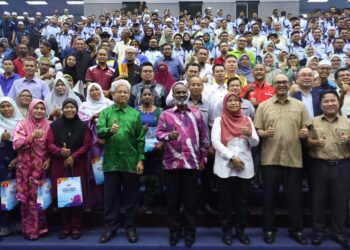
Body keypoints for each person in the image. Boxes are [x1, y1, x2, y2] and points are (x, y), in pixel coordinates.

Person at [254, 74, 310, 245]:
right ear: (272, 85)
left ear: (290, 84)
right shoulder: (263, 106)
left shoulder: (300, 106)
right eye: (278, 82)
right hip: (270, 159)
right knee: (268, 198)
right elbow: (257, 131)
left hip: (293, 159)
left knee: (294, 198)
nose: (282, 85)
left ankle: (296, 230)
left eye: (285, 82)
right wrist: (264, 133)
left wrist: (306, 133)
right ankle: (269, 229)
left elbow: (306, 129)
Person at [155, 82, 209, 247]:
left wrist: (203, 159)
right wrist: (168, 137)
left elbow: (204, 139)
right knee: (172, 202)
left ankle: (190, 232)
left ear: (187, 94)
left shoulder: (197, 114)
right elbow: (158, 134)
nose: (180, 94)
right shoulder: (166, 114)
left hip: (192, 165)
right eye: (177, 92)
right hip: (171, 164)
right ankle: (174, 232)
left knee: (190, 202)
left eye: (182, 92)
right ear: (173, 94)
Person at [97, 79, 144, 244]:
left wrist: (140, 160)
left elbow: (140, 139)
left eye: (126, 92)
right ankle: (110, 228)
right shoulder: (106, 113)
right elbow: (99, 132)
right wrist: (109, 131)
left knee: (131, 198)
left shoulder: (135, 114)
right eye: (120, 92)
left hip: (131, 162)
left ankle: (130, 228)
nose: (123, 94)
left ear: (129, 95)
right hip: (111, 162)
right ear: (113, 93)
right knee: (111, 198)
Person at [212, 92, 259, 245]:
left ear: (240, 104)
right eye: (230, 101)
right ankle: (226, 231)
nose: (233, 103)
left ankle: (240, 231)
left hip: (244, 166)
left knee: (242, 201)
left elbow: (255, 143)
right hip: (225, 165)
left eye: (236, 101)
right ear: (225, 104)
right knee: (225, 201)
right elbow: (216, 143)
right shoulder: (219, 120)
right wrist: (232, 158)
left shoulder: (247, 120)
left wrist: (250, 135)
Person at [307, 90, 350, 247]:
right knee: (318, 201)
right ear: (321, 105)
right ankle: (318, 232)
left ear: (338, 102)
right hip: (319, 166)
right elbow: (307, 143)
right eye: (326, 101)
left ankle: (338, 232)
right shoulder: (313, 122)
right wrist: (314, 143)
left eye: (333, 101)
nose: (330, 104)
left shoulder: (348, 122)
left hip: (342, 166)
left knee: (340, 202)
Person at [46, 98, 91, 240]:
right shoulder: (54, 125)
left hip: (77, 165)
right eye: (66, 107)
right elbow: (49, 143)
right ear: (63, 109)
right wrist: (60, 151)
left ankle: (76, 227)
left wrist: (73, 156)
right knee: (62, 196)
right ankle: (65, 227)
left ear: (76, 109)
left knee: (76, 195)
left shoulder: (83, 126)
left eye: (72, 107)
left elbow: (86, 145)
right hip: (60, 165)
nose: (69, 110)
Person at [13, 99, 50, 240]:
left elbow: (51, 146)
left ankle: (41, 228)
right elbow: (16, 144)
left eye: (42, 108)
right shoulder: (22, 125)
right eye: (36, 108)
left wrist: (49, 160)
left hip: (41, 167)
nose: (39, 111)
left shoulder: (49, 126)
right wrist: (32, 136)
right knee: (27, 200)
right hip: (25, 169)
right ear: (30, 109)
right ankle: (30, 230)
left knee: (40, 197)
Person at [78, 83, 113, 211]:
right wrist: (91, 118)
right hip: (91, 146)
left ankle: (108, 204)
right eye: (91, 90)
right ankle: (93, 201)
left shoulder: (109, 104)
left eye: (97, 89)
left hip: (108, 143)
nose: (94, 92)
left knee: (108, 173)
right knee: (93, 173)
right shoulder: (83, 106)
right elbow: (80, 124)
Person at [135, 86, 163, 214]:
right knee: (140, 176)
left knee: (155, 177)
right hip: (139, 148)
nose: (147, 96)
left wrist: (162, 142)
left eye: (149, 94)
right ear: (140, 97)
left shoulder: (160, 111)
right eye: (144, 94)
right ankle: (139, 203)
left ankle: (150, 203)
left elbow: (165, 129)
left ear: (153, 97)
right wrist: (141, 132)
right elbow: (131, 131)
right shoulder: (135, 112)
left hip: (156, 149)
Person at [0, 97, 23, 237]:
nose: (6, 109)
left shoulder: (20, 123)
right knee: (3, 194)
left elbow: (27, 143)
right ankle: (3, 225)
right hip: (1, 164)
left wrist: (18, 158)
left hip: (19, 162)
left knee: (17, 191)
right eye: (2, 106)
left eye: (8, 106)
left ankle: (16, 224)